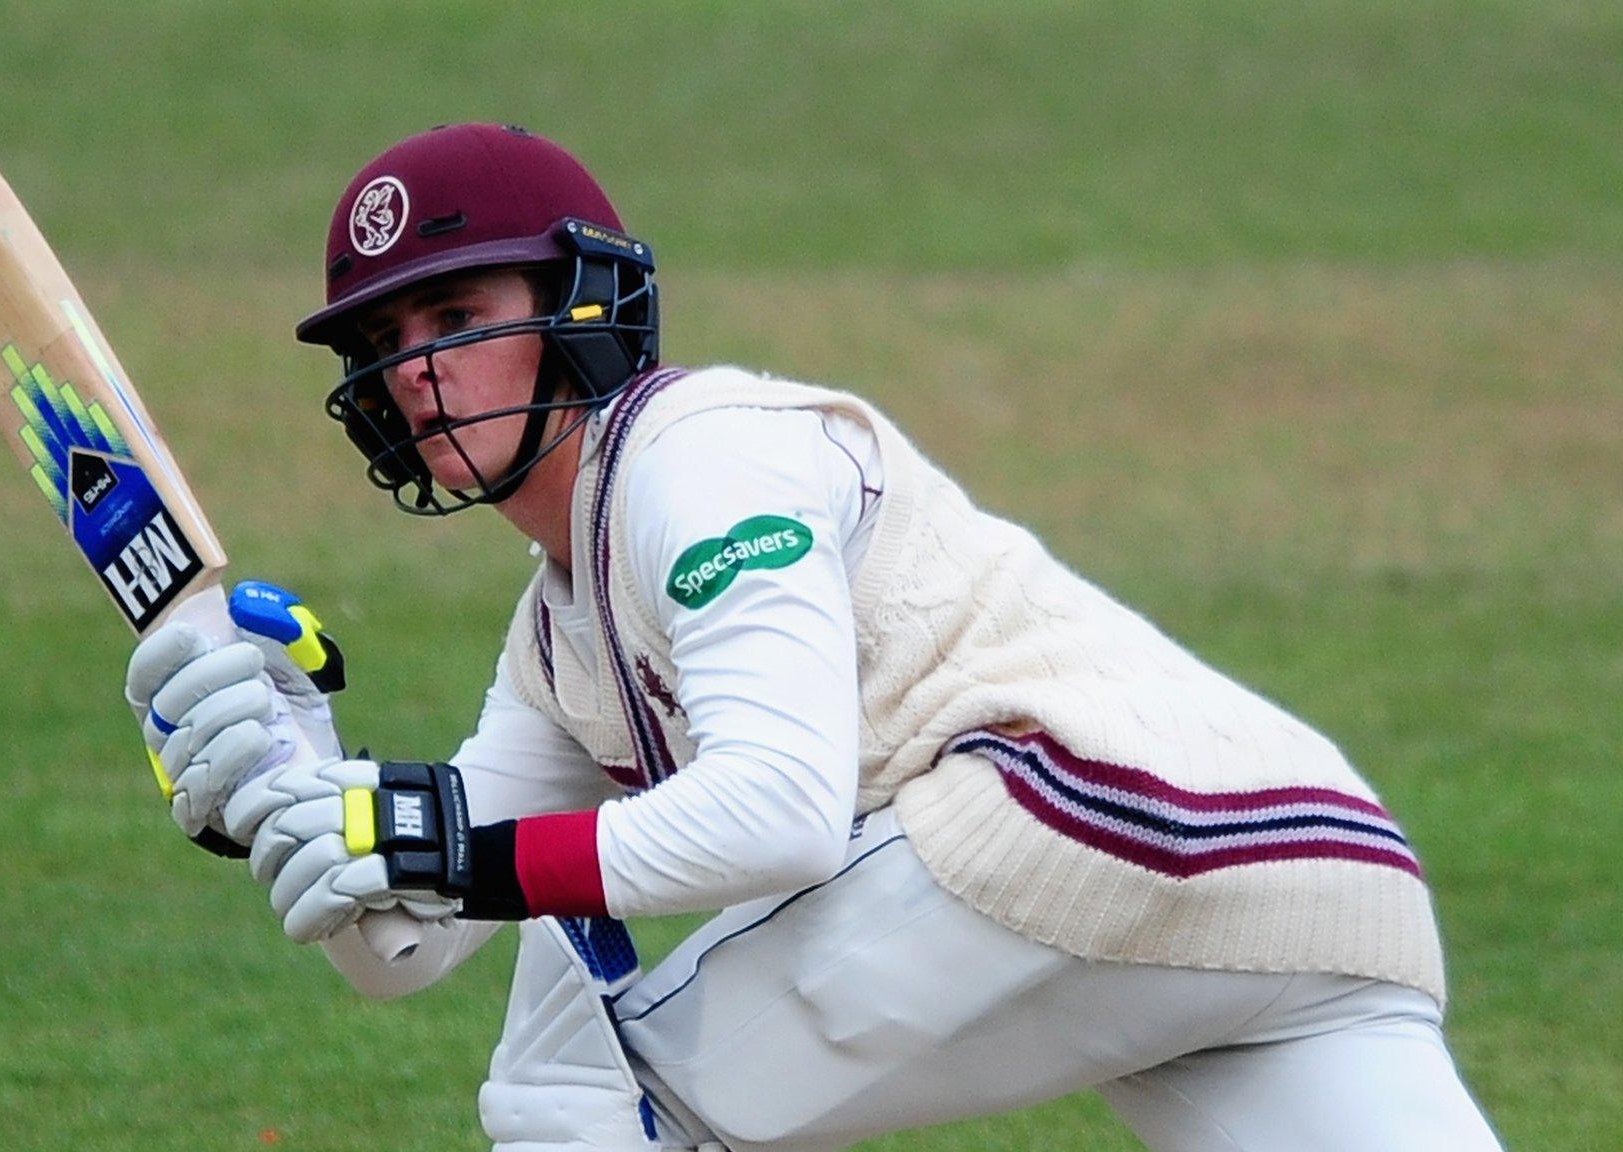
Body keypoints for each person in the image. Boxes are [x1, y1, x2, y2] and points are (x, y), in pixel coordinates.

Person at [124, 123, 1502, 1151]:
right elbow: (409, 945)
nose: (416, 366)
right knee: (561, 951)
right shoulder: (560, 632)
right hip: (1311, 878)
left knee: (582, 1086)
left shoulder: (700, 464)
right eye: (386, 337)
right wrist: (292, 792)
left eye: (458, 315)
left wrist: (430, 845)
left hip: (1092, 808)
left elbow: (775, 815)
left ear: (583, 305)